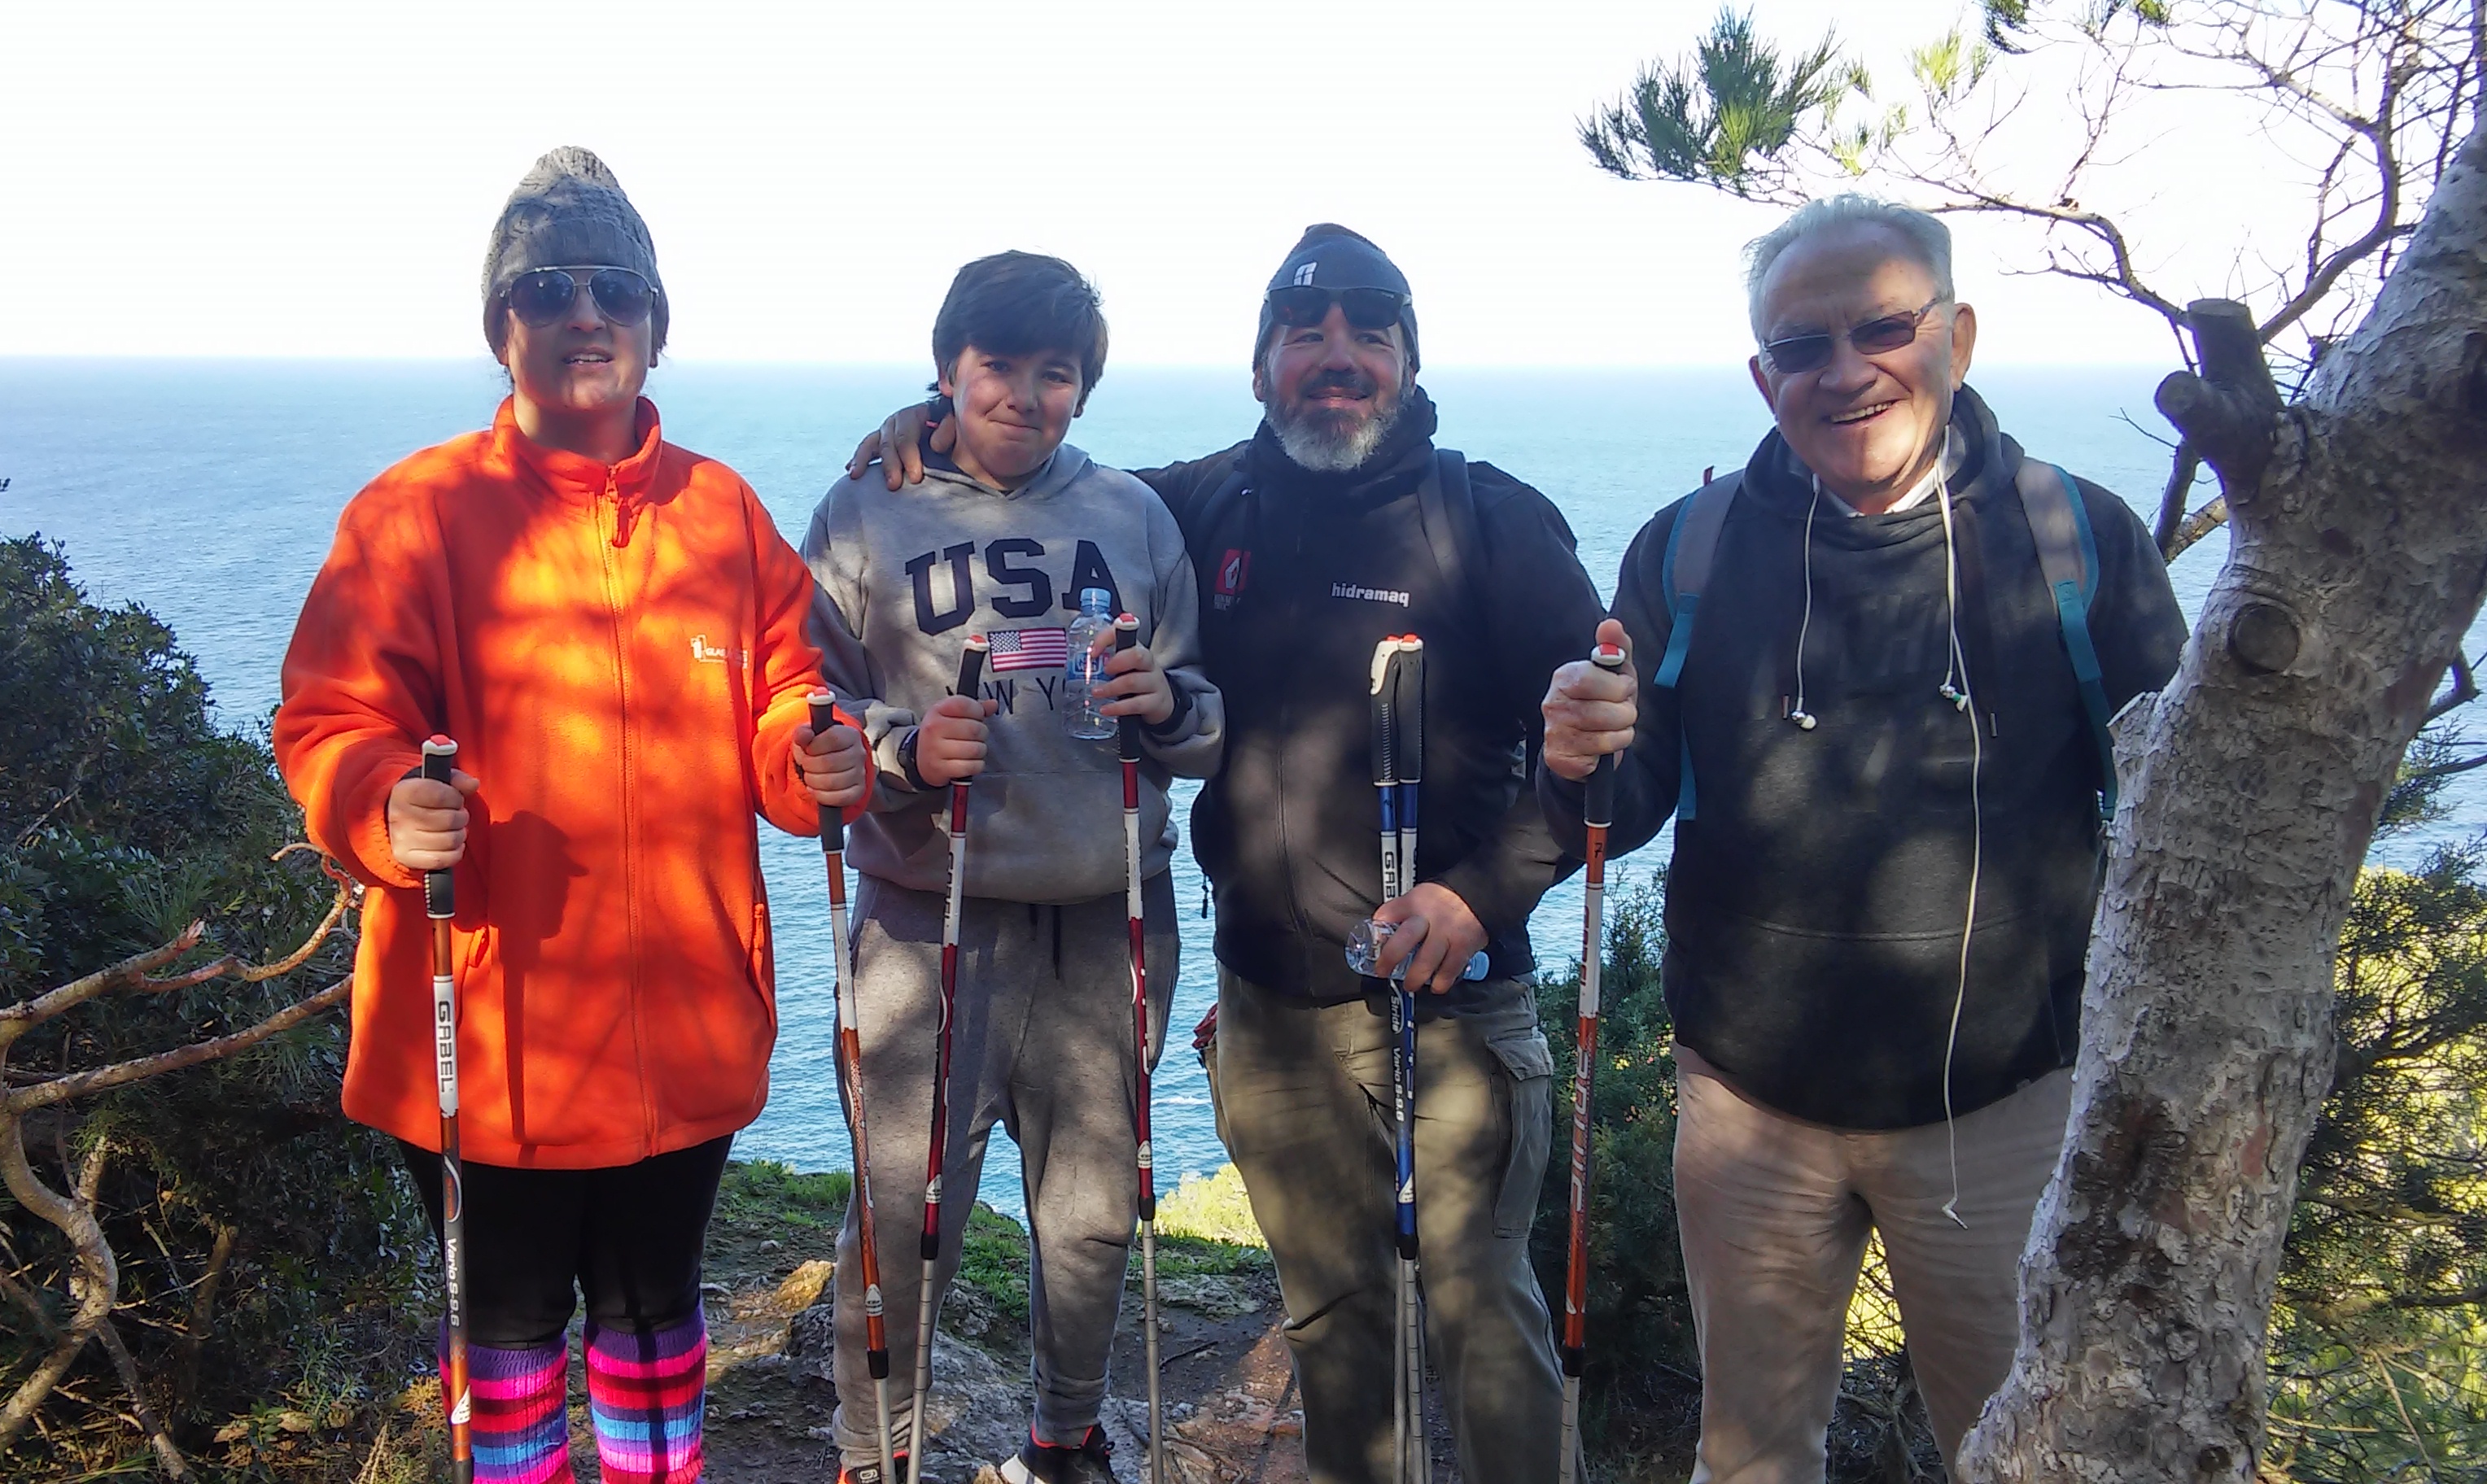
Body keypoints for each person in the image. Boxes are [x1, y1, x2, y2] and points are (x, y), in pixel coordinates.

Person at [854, 223, 1603, 1484]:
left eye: (1371, 333)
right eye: (1304, 334)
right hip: (1271, 1016)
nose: (1337, 356)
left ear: (1412, 362)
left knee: (1481, 1325)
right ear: (1260, 367)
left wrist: (1484, 896)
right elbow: (1041, 493)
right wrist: (931, 425)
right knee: (1332, 1327)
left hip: (1451, 1007)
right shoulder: (1200, 505)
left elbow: (1610, 760)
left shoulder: (1491, 522)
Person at [1536, 195, 2188, 1482]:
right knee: (1751, 1461)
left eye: (1883, 329)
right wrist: (1578, 753)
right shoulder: (1691, 549)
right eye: (1802, 346)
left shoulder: (2074, 539)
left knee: (2024, 1455)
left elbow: (2178, 808)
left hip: (2004, 1107)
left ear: (1958, 336)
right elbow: (1625, 803)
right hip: (1749, 1106)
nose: (1845, 372)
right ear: (1761, 376)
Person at [275, 146, 866, 1484]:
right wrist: (383, 803)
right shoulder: (413, 513)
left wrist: (810, 755)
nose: (584, 313)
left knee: (657, 1314)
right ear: (503, 329)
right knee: (509, 1331)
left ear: (657, 324)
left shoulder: (723, 513)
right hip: (486, 1032)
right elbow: (327, 719)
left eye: (615, 289)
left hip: (687, 1021)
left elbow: (789, 692)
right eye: (546, 289)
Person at [806, 251, 1222, 1484]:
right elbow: (807, 706)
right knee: (901, 1210)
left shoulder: (1135, 515)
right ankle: (872, 1453)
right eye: (998, 365)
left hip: (1108, 918)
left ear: (1085, 387)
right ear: (948, 369)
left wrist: (1166, 705)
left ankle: (1067, 1433)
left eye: (1057, 372)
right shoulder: (864, 511)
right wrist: (903, 751)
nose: (1026, 396)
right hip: (927, 921)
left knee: (1092, 1215)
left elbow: (1204, 718)